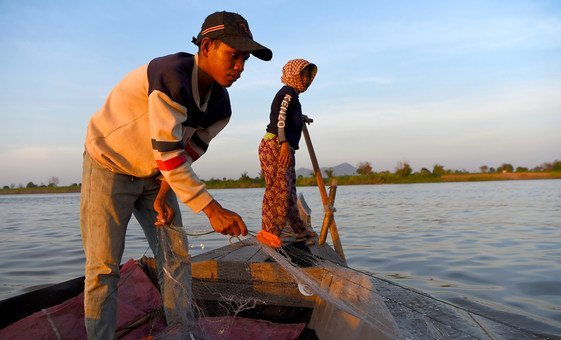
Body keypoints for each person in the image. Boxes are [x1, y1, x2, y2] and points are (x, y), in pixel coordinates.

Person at [80, 11, 272, 339]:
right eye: (233, 55)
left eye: (245, 59)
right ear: (207, 46)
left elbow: (186, 152)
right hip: (109, 166)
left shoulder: (221, 107)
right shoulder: (170, 76)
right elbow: (168, 153)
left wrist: (163, 193)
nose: (240, 66)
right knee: (103, 268)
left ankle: (182, 330)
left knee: (177, 258)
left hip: (156, 174)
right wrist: (212, 209)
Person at [256, 59, 318, 248]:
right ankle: (269, 233)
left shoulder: (292, 97)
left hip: (282, 145)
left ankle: (299, 231)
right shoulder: (287, 93)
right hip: (275, 144)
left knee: (289, 191)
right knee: (278, 191)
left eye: (309, 76)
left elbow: (287, 114)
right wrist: (283, 143)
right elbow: (280, 117)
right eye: (303, 75)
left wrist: (300, 118)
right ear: (294, 76)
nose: (307, 80)